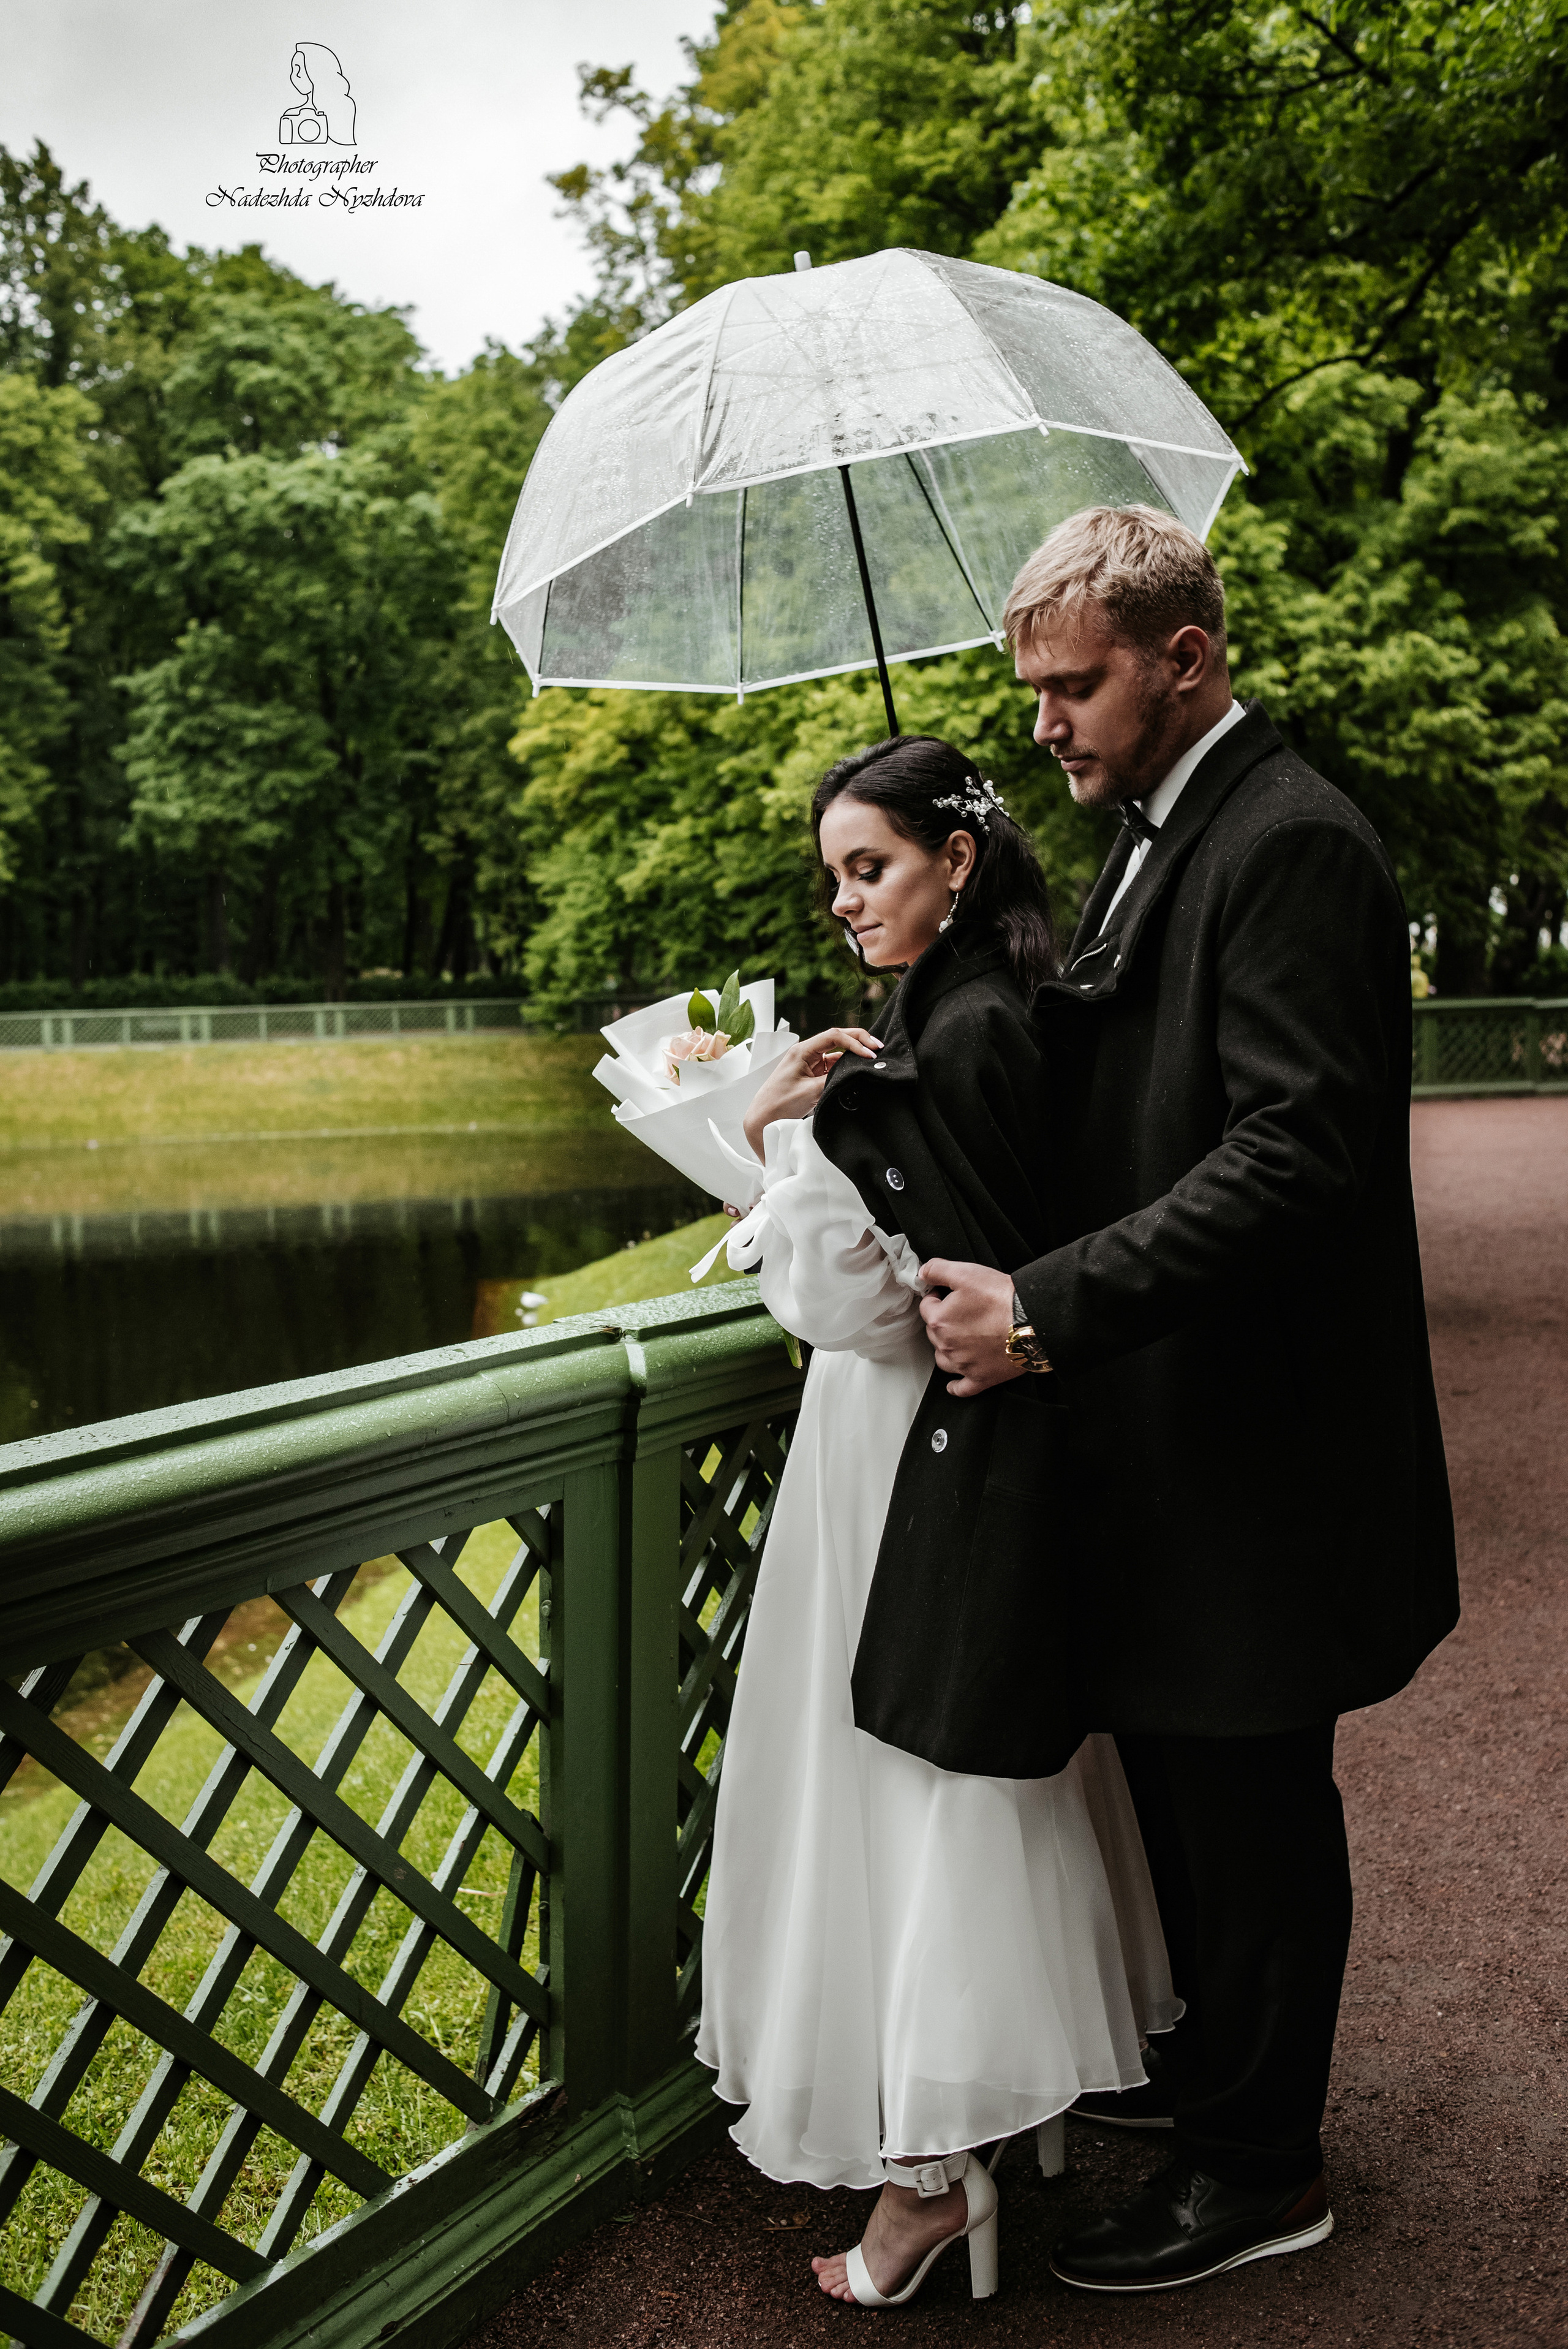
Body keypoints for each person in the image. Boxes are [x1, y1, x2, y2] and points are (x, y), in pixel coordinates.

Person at [920, 504, 1458, 2293]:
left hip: (1256, 1437)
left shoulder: (1288, 839)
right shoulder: (1161, 827)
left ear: (1186, 658)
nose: (1044, 725)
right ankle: (1211, 2071)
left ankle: (1259, 2165)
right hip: (1177, 1425)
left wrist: (1044, 1308)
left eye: (1073, 688)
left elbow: (1294, 1153)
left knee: (1251, 1808)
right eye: (1033, 691)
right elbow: (1131, 1079)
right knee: (1186, 1781)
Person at [694, 733, 1180, 2308]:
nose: (845, 900)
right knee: (953, 1778)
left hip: (900, 1448)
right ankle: (986, 2117)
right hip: (957, 1439)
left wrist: (768, 1137)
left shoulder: (951, 1040)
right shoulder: (1001, 1007)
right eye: (834, 877)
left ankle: (923, 2175)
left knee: (902, 1781)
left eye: (871, 866)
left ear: (954, 860)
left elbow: (850, 1301)